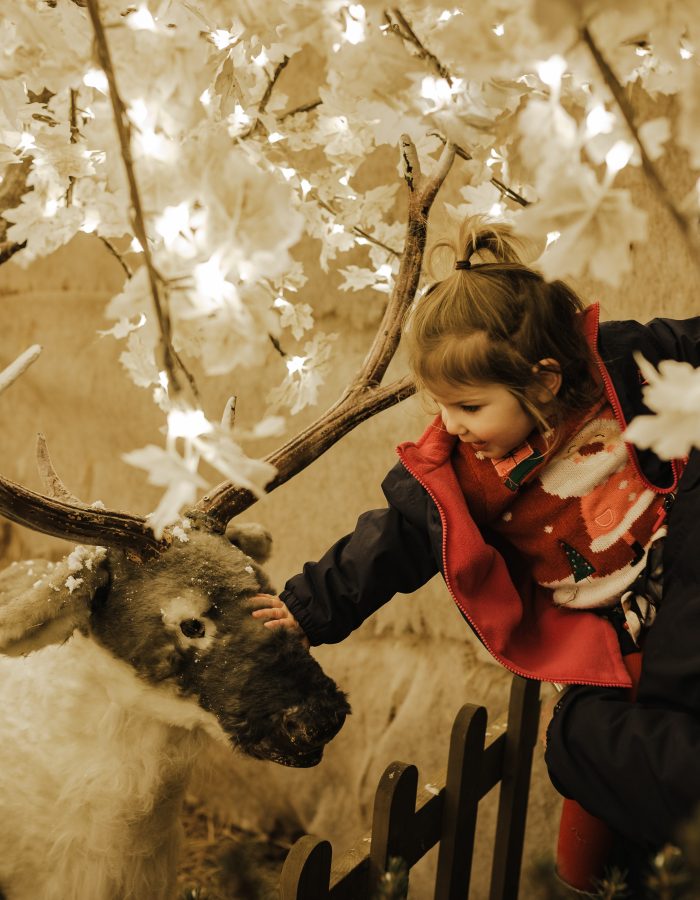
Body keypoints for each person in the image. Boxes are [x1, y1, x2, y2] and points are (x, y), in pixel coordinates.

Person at [251, 216, 700, 888]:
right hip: (607, 644)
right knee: (595, 774)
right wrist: (302, 611)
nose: (453, 424)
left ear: (545, 380)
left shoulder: (619, 368)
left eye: (468, 404)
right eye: (440, 405)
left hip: (681, 587)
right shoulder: (467, 473)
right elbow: (390, 542)